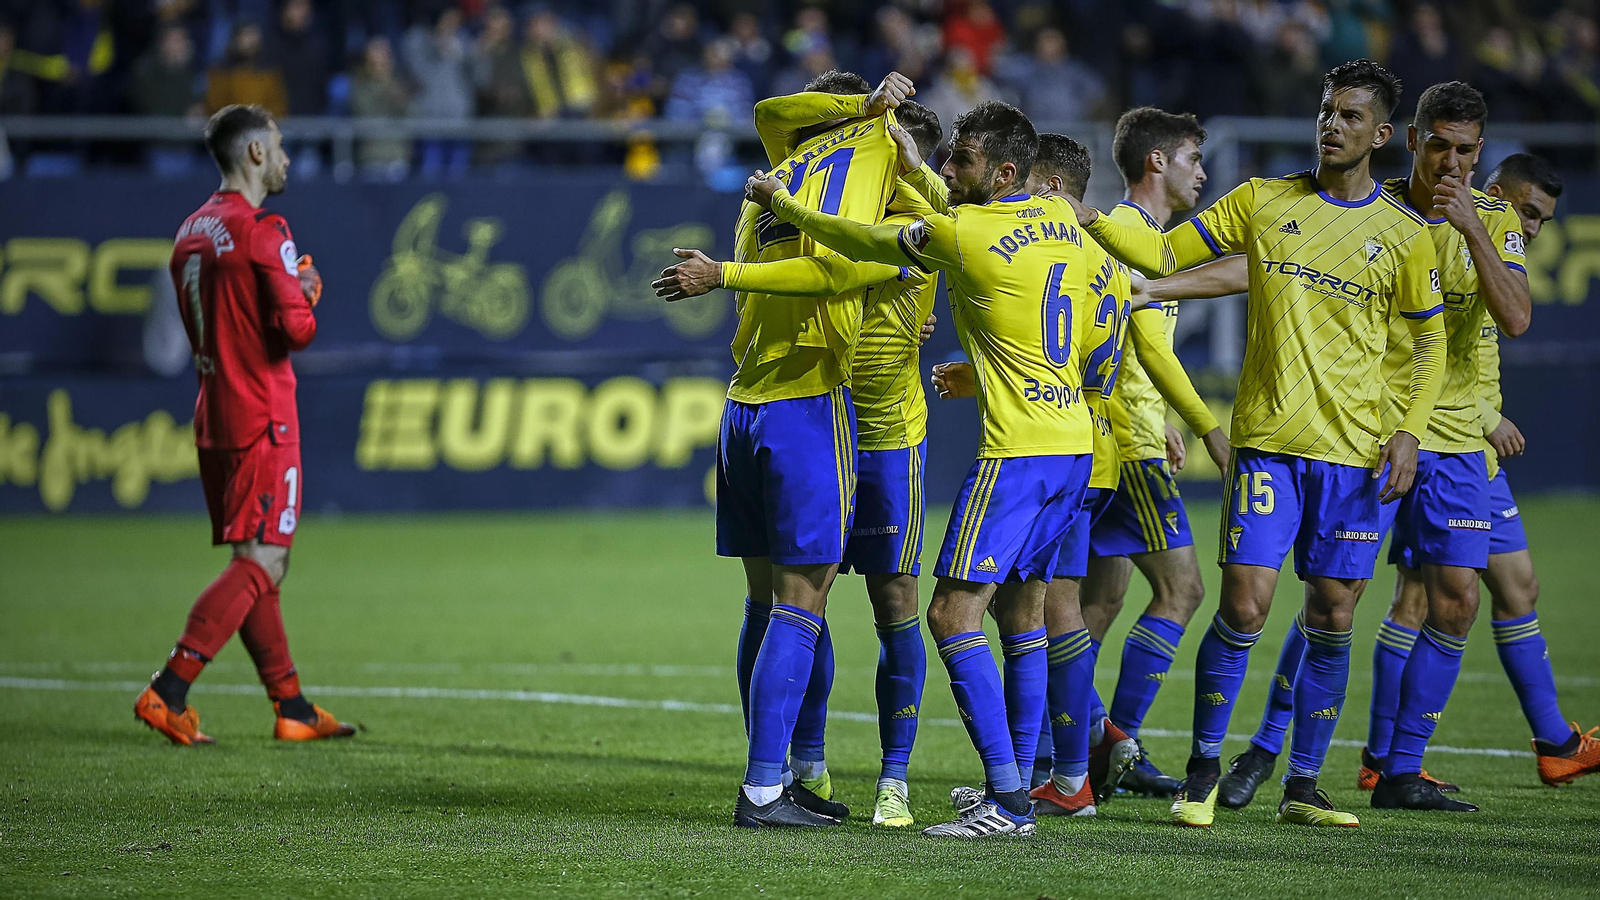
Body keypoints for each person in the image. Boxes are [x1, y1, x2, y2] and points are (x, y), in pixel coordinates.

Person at [1060, 59, 1447, 828]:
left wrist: (1409, 430)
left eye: (1348, 115)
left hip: (1355, 455)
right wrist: (1081, 218)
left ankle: (1303, 786)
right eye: (1325, 110)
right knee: (1243, 603)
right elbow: (1168, 255)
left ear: (1381, 134)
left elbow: (1430, 345)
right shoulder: (1264, 201)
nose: (1331, 125)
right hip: (1267, 443)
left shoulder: (1405, 235)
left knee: (1334, 615)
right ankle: (1201, 775)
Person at [750, 100, 1098, 839]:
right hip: (1073, 441)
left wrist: (784, 205)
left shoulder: (962, 232)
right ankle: (1030, 785)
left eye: (960, 160)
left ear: (1002, 171)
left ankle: (1006, 804)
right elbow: (1097, 325)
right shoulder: (1066, 222)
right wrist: (990, 367)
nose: (946, 170)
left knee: (947, 613)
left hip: (1018, 450)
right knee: (1021, 609)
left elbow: (858, 235)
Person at [653, 92, 941, 829]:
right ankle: (763, 790)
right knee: (802, 602)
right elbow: (840, 273)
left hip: (742, 406)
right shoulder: (848, 205)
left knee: (766, 603)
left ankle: (790, 768)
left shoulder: (768, 199)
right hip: (807, 407)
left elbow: (769, 110)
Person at [134, 104, 354, 746]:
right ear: (255, 154)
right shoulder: (265, 230)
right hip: (263, 416)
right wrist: (305, 288)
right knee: (264, 559)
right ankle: (169, 688)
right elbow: (296, 331)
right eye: (280, 148)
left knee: (255, 563)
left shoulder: (191, 230)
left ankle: (292, 706)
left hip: (214, 412)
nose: (286, 159)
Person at [1083, 108, 1233, 799]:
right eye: (1193, 158)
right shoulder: (1133, 236)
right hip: (1128, 445)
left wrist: (1167, 414)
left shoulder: (1138, 236)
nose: (1201, 173)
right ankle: (1117, 745)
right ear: (1157, 163)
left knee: (1100, 600)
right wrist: (1205, 425)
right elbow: (1146, 345)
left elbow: (1135, 346)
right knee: (1182, 590)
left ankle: (1077, 744)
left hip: (1125, 432)